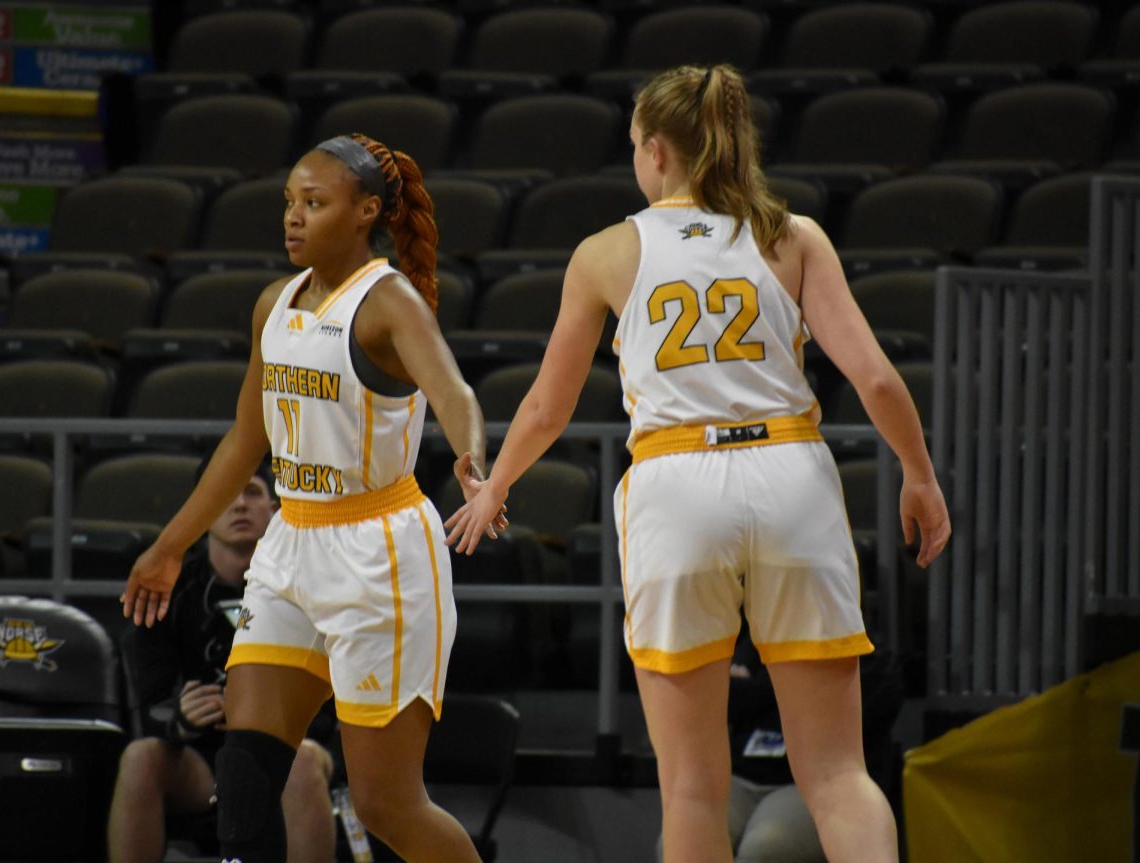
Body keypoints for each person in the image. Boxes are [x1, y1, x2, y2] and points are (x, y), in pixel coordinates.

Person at [444, 63, 951, 863]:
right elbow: (878, 377)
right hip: (790, 470)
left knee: (689, 788)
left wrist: (495, 487)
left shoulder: (607, 250)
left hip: (676, 482)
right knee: (840, 773)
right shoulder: (793, 234)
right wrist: (919, 474)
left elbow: (547, 405)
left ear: (653, 152)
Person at [121, 132, 503, 863]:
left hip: (379, 552)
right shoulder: (276, 303)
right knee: (241, 782)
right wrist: (169, 545)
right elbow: (243, 442)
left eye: (314, 203)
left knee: (387, 805)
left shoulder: (388, 302)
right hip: (292, 541)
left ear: (365, 212)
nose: (293, 217)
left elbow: (453, 392)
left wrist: (472, 462)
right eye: (288, 202)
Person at [107, 463, 336, 863]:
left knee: (303, 759)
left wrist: (265, 719)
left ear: (275, 506)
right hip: (199, 765)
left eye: (250, 492)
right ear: (203, 508)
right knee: (141, 757)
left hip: (283, 756)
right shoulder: (167, 592)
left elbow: (336, 707)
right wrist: (180, 718)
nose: (238, 505)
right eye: (226, 494)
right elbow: (149, 704)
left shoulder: (313, 588)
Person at [655, 631, 905, 863]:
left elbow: (847, 706)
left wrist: (758, 687)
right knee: (679, 842)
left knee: (765, 849)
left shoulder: (868, 654)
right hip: (741, 776)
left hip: (807, 782)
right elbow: (714, 699)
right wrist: (776, 691)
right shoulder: (753, 642)